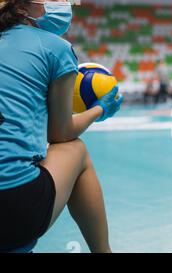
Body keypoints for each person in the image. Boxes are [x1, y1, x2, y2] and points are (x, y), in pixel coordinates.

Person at [0, 0, 122, 252]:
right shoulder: (55, 47)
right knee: (76, 150)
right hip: (12, 206)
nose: (64, 4)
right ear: (21, 8)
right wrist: (100, 109)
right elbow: (60, 133)